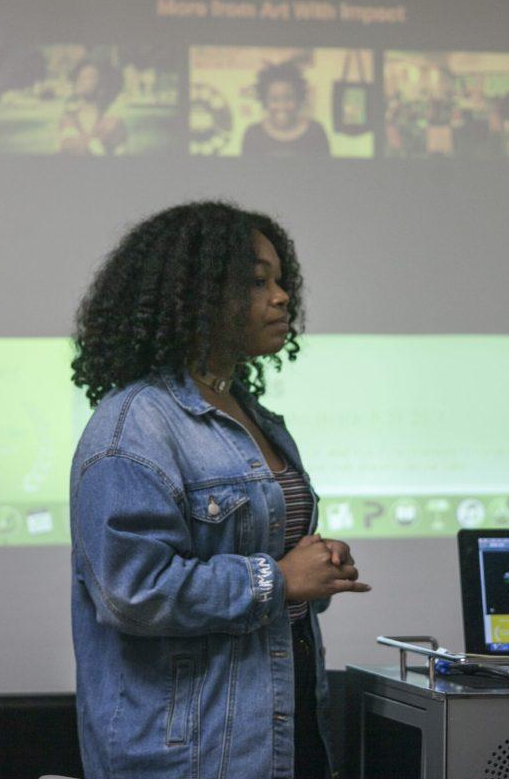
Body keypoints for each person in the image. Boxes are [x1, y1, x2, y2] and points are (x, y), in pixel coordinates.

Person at [69, 201, 368, 778]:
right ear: (196, 296)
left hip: (282, 734)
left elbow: (261, 565)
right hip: (190, 756)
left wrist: (313, 570)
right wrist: (276, 578)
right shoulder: (135, 426)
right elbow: (130, 591)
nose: (281, 297)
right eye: (258, 282)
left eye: (282, 281)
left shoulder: (257, 416)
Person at [240, 61, 330, 156]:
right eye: (274, 99)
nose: (282, 106)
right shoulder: (253, 135)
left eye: (289, 98)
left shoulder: (315, 132)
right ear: (265, 101)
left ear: (299, 99)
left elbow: (327, 170)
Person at [59, 59, 126, 156]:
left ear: (102, 85)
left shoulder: (114, 123)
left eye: (89, 77)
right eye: (80, 76)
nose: (81, 80)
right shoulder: (68, 120)